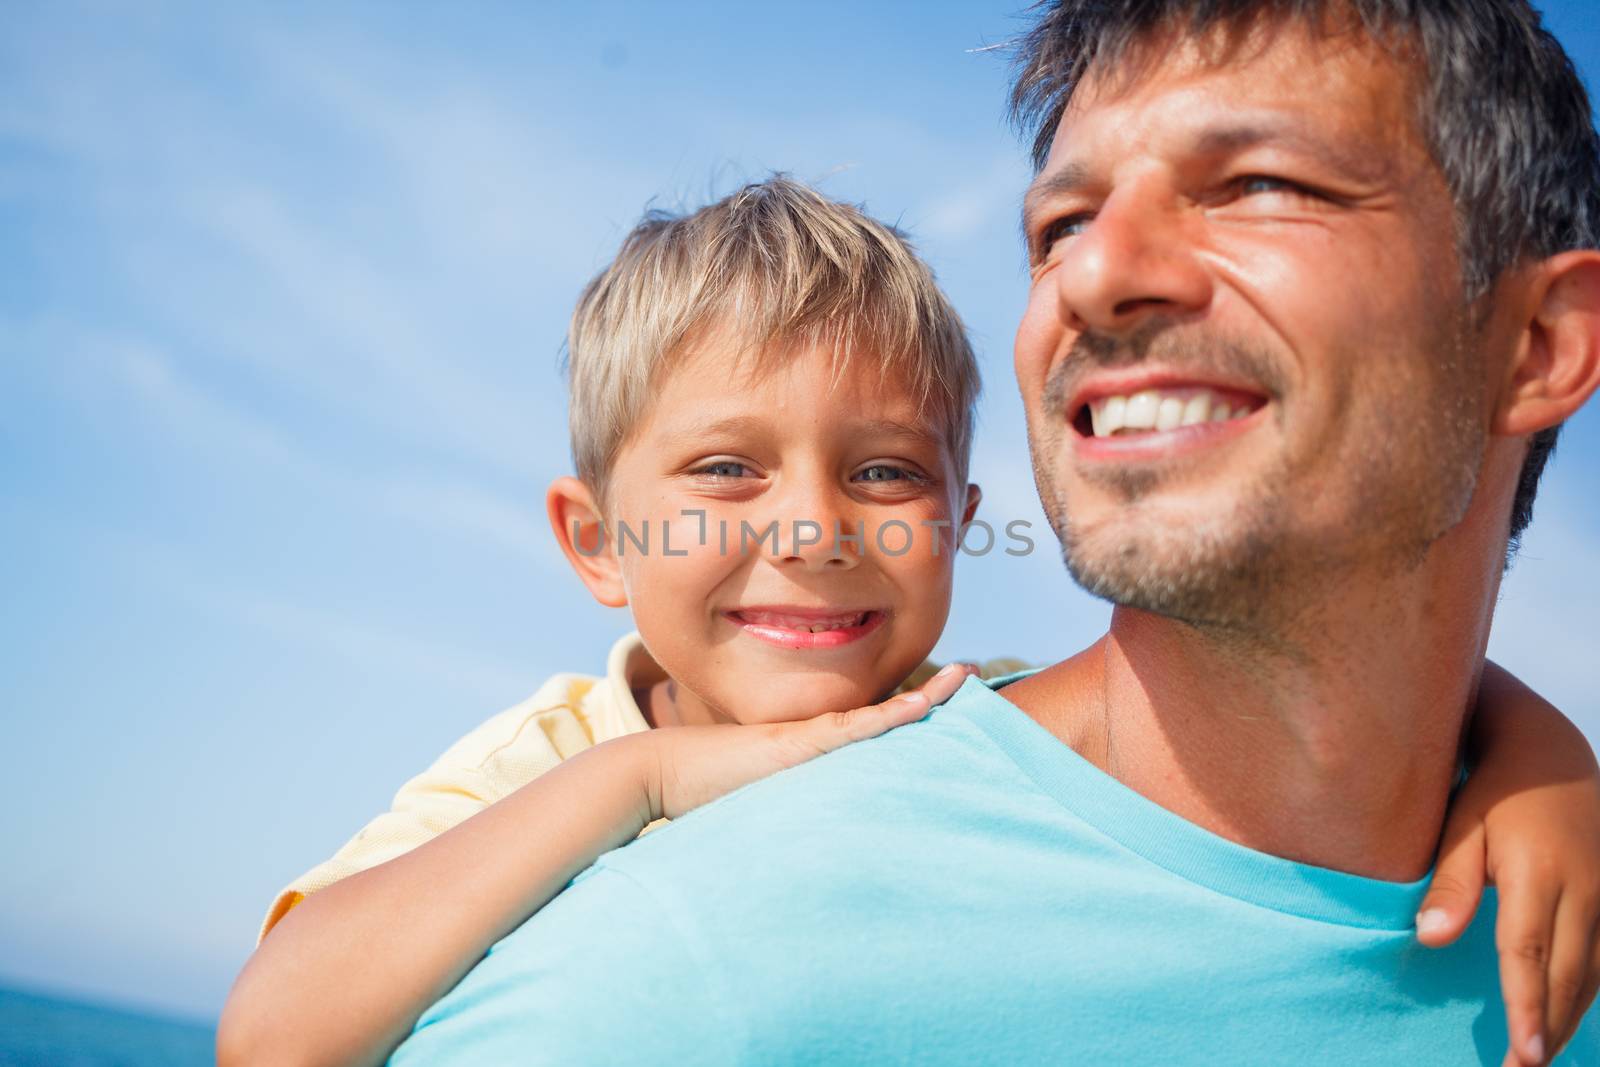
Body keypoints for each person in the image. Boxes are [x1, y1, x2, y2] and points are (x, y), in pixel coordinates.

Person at [381, 2, 1600, 1065]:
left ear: (1541, 342)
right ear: (593, 539)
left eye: (1258, 184)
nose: (1095, 270)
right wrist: (630, 776)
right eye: (1059, 224)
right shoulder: (654, 950)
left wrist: (1550, 759)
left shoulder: (1552, 891)